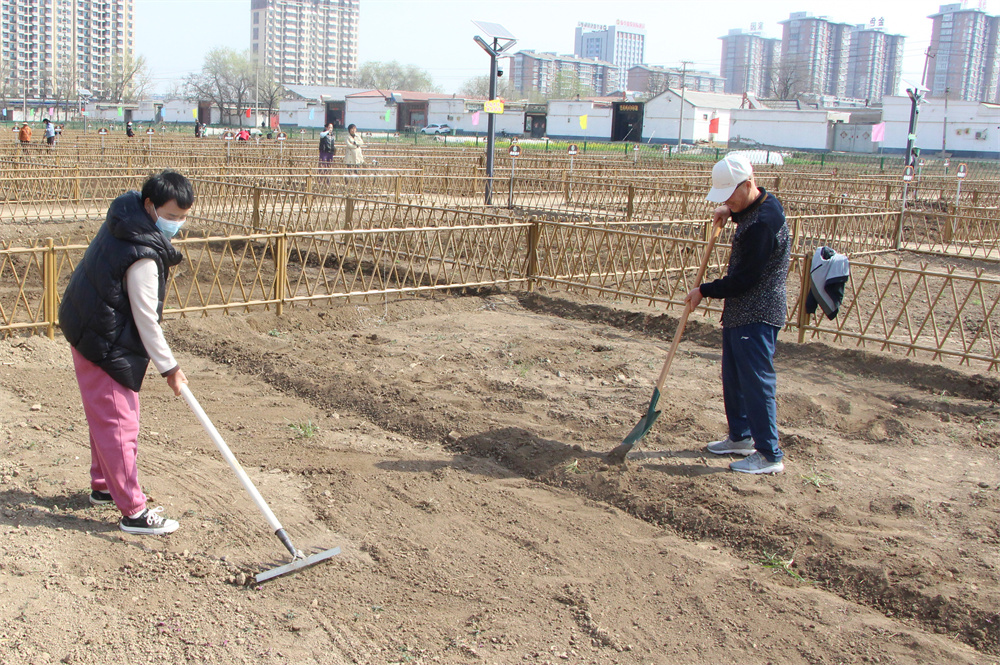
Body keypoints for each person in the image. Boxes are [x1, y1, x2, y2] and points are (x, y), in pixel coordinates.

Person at [59, 171, 195, 535]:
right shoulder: (143, 255)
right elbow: (146, 319)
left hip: (86, 322)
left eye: (183, 217)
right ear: (150, 205)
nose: (176, 224)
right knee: (120, 423)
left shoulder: (126, 216)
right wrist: (170, 369)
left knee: (105, 415)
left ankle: (104, 486)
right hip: (103, 340)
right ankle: (134, 511)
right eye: (171, 216)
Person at [684, 153, 790, 475]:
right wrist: (729, 211)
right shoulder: (761, 203)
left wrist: (704, 290)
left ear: (748, 183)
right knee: (734, 378)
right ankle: (740, 437)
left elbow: (745, 279)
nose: (727, 200)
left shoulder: (763, 225)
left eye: (731, 195)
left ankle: (769, 454)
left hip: (757, 313)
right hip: (740, 312)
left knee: (756, 383)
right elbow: (747, 208)